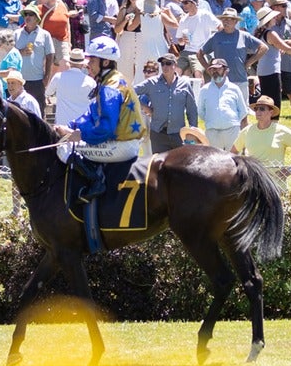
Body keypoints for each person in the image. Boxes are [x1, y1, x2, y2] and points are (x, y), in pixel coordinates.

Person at [60, 36, 146, 252]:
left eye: (92, 60)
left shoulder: (110, 87)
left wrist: (78, 135)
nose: (88, 63)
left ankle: (96, 182)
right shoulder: (107, 81)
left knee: (66, 152)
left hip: (122, 146)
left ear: (105, 62)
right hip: (119, 142)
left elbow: (105, 129)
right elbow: (91, 115)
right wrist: (69, 126)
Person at [137, 53, 199, 154]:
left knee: (178, 166)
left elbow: (191, 110)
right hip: (158, 134)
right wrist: (144, 107)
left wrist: (193, 132)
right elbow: (131, 92)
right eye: (163, 64)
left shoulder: (185, 84)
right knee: (159, 167)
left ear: (175, 65)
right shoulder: (151, 83)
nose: (165, 66)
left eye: (168, 63)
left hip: (178, 134)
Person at [233, 95, 291, 168]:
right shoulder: (247, 131)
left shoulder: (282, 131)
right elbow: (232, 152)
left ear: (271, 112)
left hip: (275, 179)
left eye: (262, 109)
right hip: (252, 179)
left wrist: (290, 170)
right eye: (256, 109)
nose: (258, 111)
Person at [198, 56, 251, 151]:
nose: (215, 71)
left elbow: (242, 111)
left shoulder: (234, 88)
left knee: (234, 162)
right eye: (212, 69)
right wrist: (213, 121)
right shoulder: (204, 90)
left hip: (232, 131)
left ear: (226, 70)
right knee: (214, 162)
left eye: (218, 69)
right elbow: (201, 112)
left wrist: (231, 121)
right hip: (212, 132)